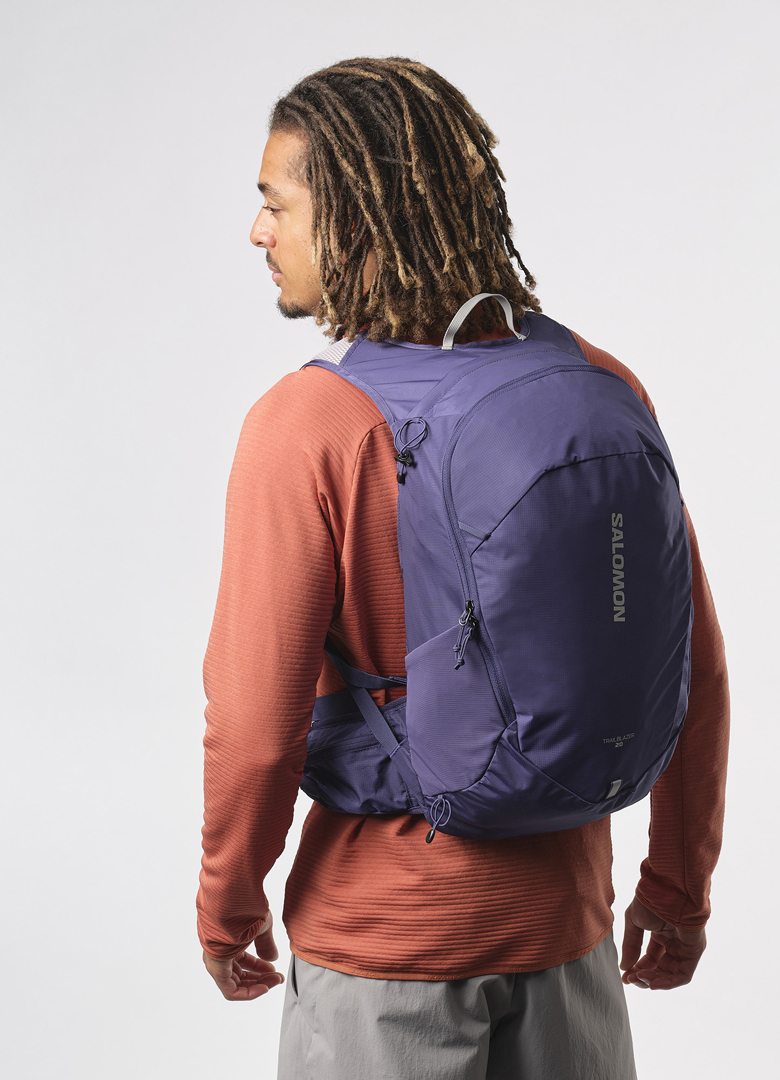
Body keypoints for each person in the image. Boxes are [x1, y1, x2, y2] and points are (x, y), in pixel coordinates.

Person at [197, 57, 730, 1080]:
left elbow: (255, 728)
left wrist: (226, 904)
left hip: (382, 956)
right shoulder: (595, 386)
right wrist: (676, 884)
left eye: (276, 204)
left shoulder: (307, 424)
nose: (259, 232)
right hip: (568, 942)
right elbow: (688, 666)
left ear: (353, 217)